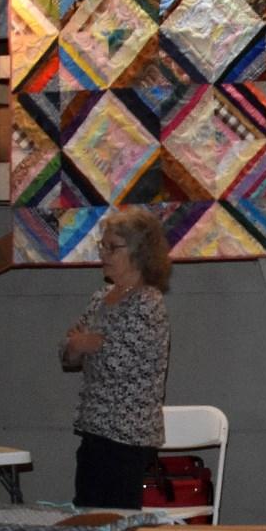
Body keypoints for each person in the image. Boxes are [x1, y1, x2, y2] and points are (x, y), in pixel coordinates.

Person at [63, 208, 172, 508]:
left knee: (117, 517)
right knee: (87, 511)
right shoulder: (101, 297)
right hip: (94, 429)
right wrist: (82, 345)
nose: (104, 254)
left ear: (139, 252)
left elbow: (120, 363)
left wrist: (86, 344)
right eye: (103, 246)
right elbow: (67, 352)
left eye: (113, 247)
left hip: (127, 436)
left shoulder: (148, 302)